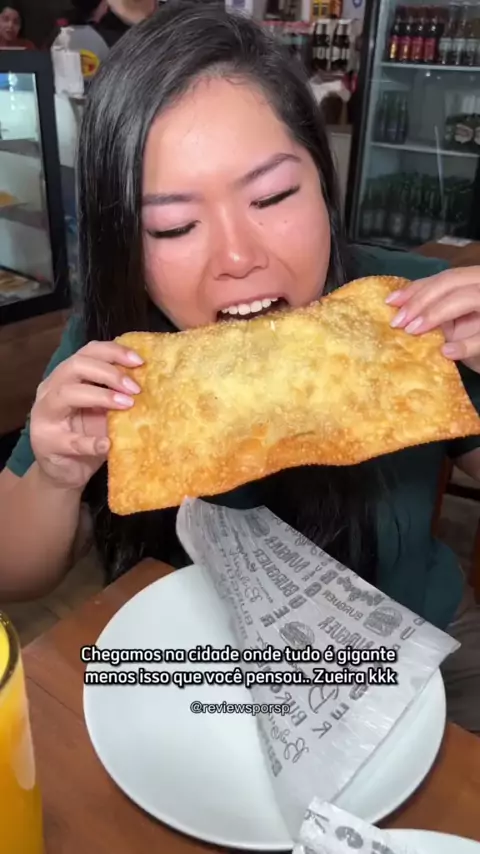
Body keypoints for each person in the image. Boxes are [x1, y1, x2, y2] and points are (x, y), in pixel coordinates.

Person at [1, 0, 480, 732]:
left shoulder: (413, 315)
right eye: (173, 226)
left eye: (272, 195)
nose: (236, 256)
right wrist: (57, 477)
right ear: (124, 241)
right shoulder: (115, 355)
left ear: (323, 181)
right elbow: (14, 572)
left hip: (419, 661)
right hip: (202, 678)